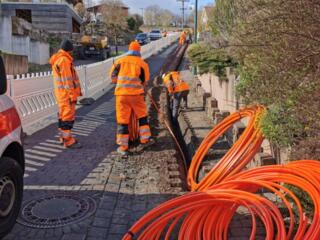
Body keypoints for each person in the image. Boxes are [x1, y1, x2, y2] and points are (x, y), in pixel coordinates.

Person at [110, 41, 155, 156]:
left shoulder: (119, 61)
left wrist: (121, 82)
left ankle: (123, 147)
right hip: (136, 96)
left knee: (122, 120)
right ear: (139, 51)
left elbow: (112, 78)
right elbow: (145, 81)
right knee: (142, 117)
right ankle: (144, 140)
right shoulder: (142, 64)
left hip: (121, 96)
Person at [49, 39, 82, 149]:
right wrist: (72, 95)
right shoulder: (64, 60)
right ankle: (68, 141)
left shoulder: (59, 59)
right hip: (66, 95)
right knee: (67, 118)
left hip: (62, 94)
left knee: (63, 117)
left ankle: (63, 138)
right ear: (69, 50)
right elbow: (67, 81)